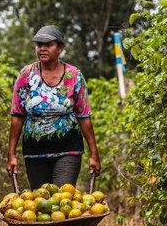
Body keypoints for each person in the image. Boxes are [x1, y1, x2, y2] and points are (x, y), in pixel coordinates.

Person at [6, 25, 101, 190]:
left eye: (48, 44)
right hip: (35, 152)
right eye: (39, 44)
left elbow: (84, 116)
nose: (42, 48)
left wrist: (94, 154)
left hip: (68, 150)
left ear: (60, 48)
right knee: (41, 202)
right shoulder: (26, 75)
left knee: (63, 198)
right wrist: (11, 154)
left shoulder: (74, 75)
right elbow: (17, 116)